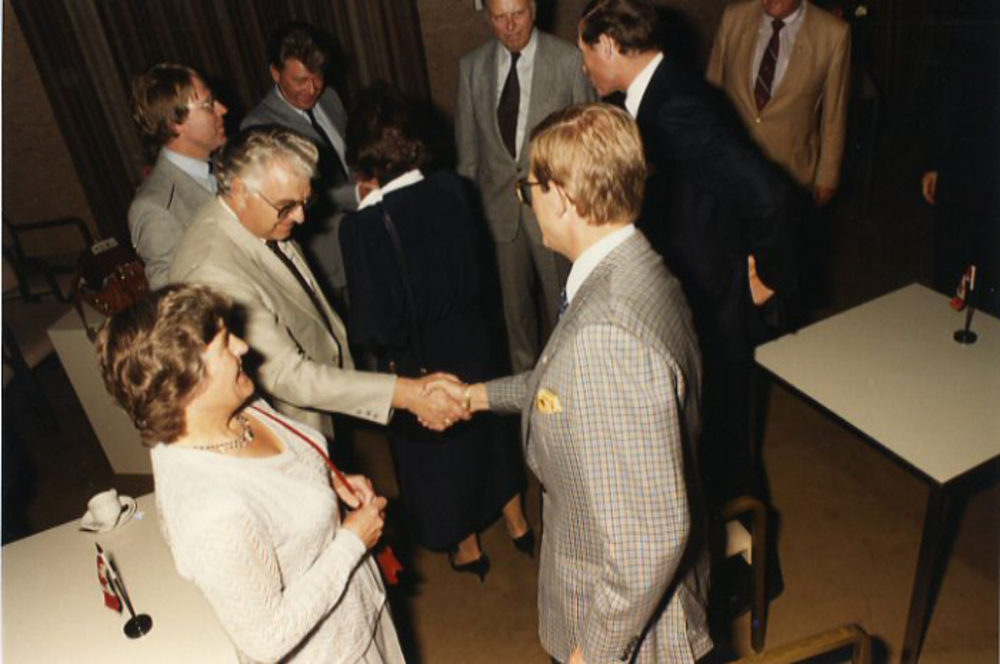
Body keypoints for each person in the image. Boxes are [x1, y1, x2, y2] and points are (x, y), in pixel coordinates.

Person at [438, 104, 711, 663]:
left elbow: (648, 542)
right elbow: (567, 388)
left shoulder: (606, 333)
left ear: (561, 197)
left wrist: (595, 652)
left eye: (529, 188)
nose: (528, 200)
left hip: (625, 624)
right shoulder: (639, 268)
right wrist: (475, 397)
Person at [95, 284, 404, 663]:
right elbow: (268, 637)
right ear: (186, 384)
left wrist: (324, 483)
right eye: (225, 344)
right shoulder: (209, 512)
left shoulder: (234, 406)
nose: (243, 346)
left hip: (353, 610)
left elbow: (276, 479)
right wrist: (352, 541)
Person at [577, 0, 799, 509]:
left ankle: (745, 555)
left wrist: (768, 276)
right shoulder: (658, 92)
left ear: (608, 46)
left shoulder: (675, 107)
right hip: (695, 292)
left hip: (713, 303)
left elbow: (768, 195)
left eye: (584, 53)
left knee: (722, 451)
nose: (584, 67)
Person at [338, 87, 532, 579]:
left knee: (441, 458)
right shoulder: (453, 188)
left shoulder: (363, 228)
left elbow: (375, 326)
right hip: (475, 336)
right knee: (490, 433)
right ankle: (518, 523)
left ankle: (468, 549)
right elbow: (477, 269)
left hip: (421, 359)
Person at [170, 125, 466, 444]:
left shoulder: (260, 215)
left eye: (305, 201)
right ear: (240, 190)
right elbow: (287, 375)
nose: (300, 217)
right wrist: (406, 393)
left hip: (322, 403)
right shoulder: (215, 272)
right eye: (287, 206)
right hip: (284, 429)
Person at [456, 0, 596, 373]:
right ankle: (527, 390)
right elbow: (468, 157)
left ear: (534, 10)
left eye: (517, 15)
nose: (510, 26)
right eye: (499, 18)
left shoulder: (568, 60)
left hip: (556, 212)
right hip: (499, 214)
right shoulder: (472, 67)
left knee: (562, 304)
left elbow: (588, 145)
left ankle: (570, 374)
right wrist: (470, 220)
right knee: (514, 313)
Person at [242, 23, 355, 310]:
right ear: (275, 73)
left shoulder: (330, 98)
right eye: (300, 80)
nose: (312, 89)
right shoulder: (258, 125)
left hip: (363, 235)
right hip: (324, 257)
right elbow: (295, 198)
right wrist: (360, 193)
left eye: (318, 77)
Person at [707, 0, 851, 207]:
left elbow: (834, 114)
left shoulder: (833, 34)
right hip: (731, 166)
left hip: (790, 176)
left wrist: (828, 176)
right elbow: (711, 92)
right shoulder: (734, 17)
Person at [128, 63, 227, 289]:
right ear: (174, 122)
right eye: (208, 105)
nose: (222, 109)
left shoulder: (227, 164)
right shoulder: (156, 207)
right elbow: (176, 299)